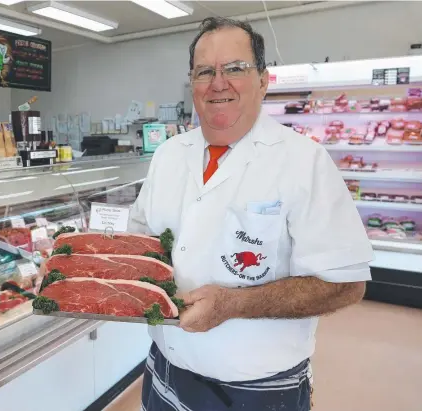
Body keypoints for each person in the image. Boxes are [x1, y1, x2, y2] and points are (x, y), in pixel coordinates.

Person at [129, 16, 373, 411]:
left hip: (257, 386)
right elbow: (140, 243)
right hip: (165, 368)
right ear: (192, 84)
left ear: (263, 80)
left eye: (235, 68)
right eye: (204, 71)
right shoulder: (168, 155)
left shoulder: (304, 161)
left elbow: (347, 284)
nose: (218, 83)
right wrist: (79, 268)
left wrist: (234, 304)